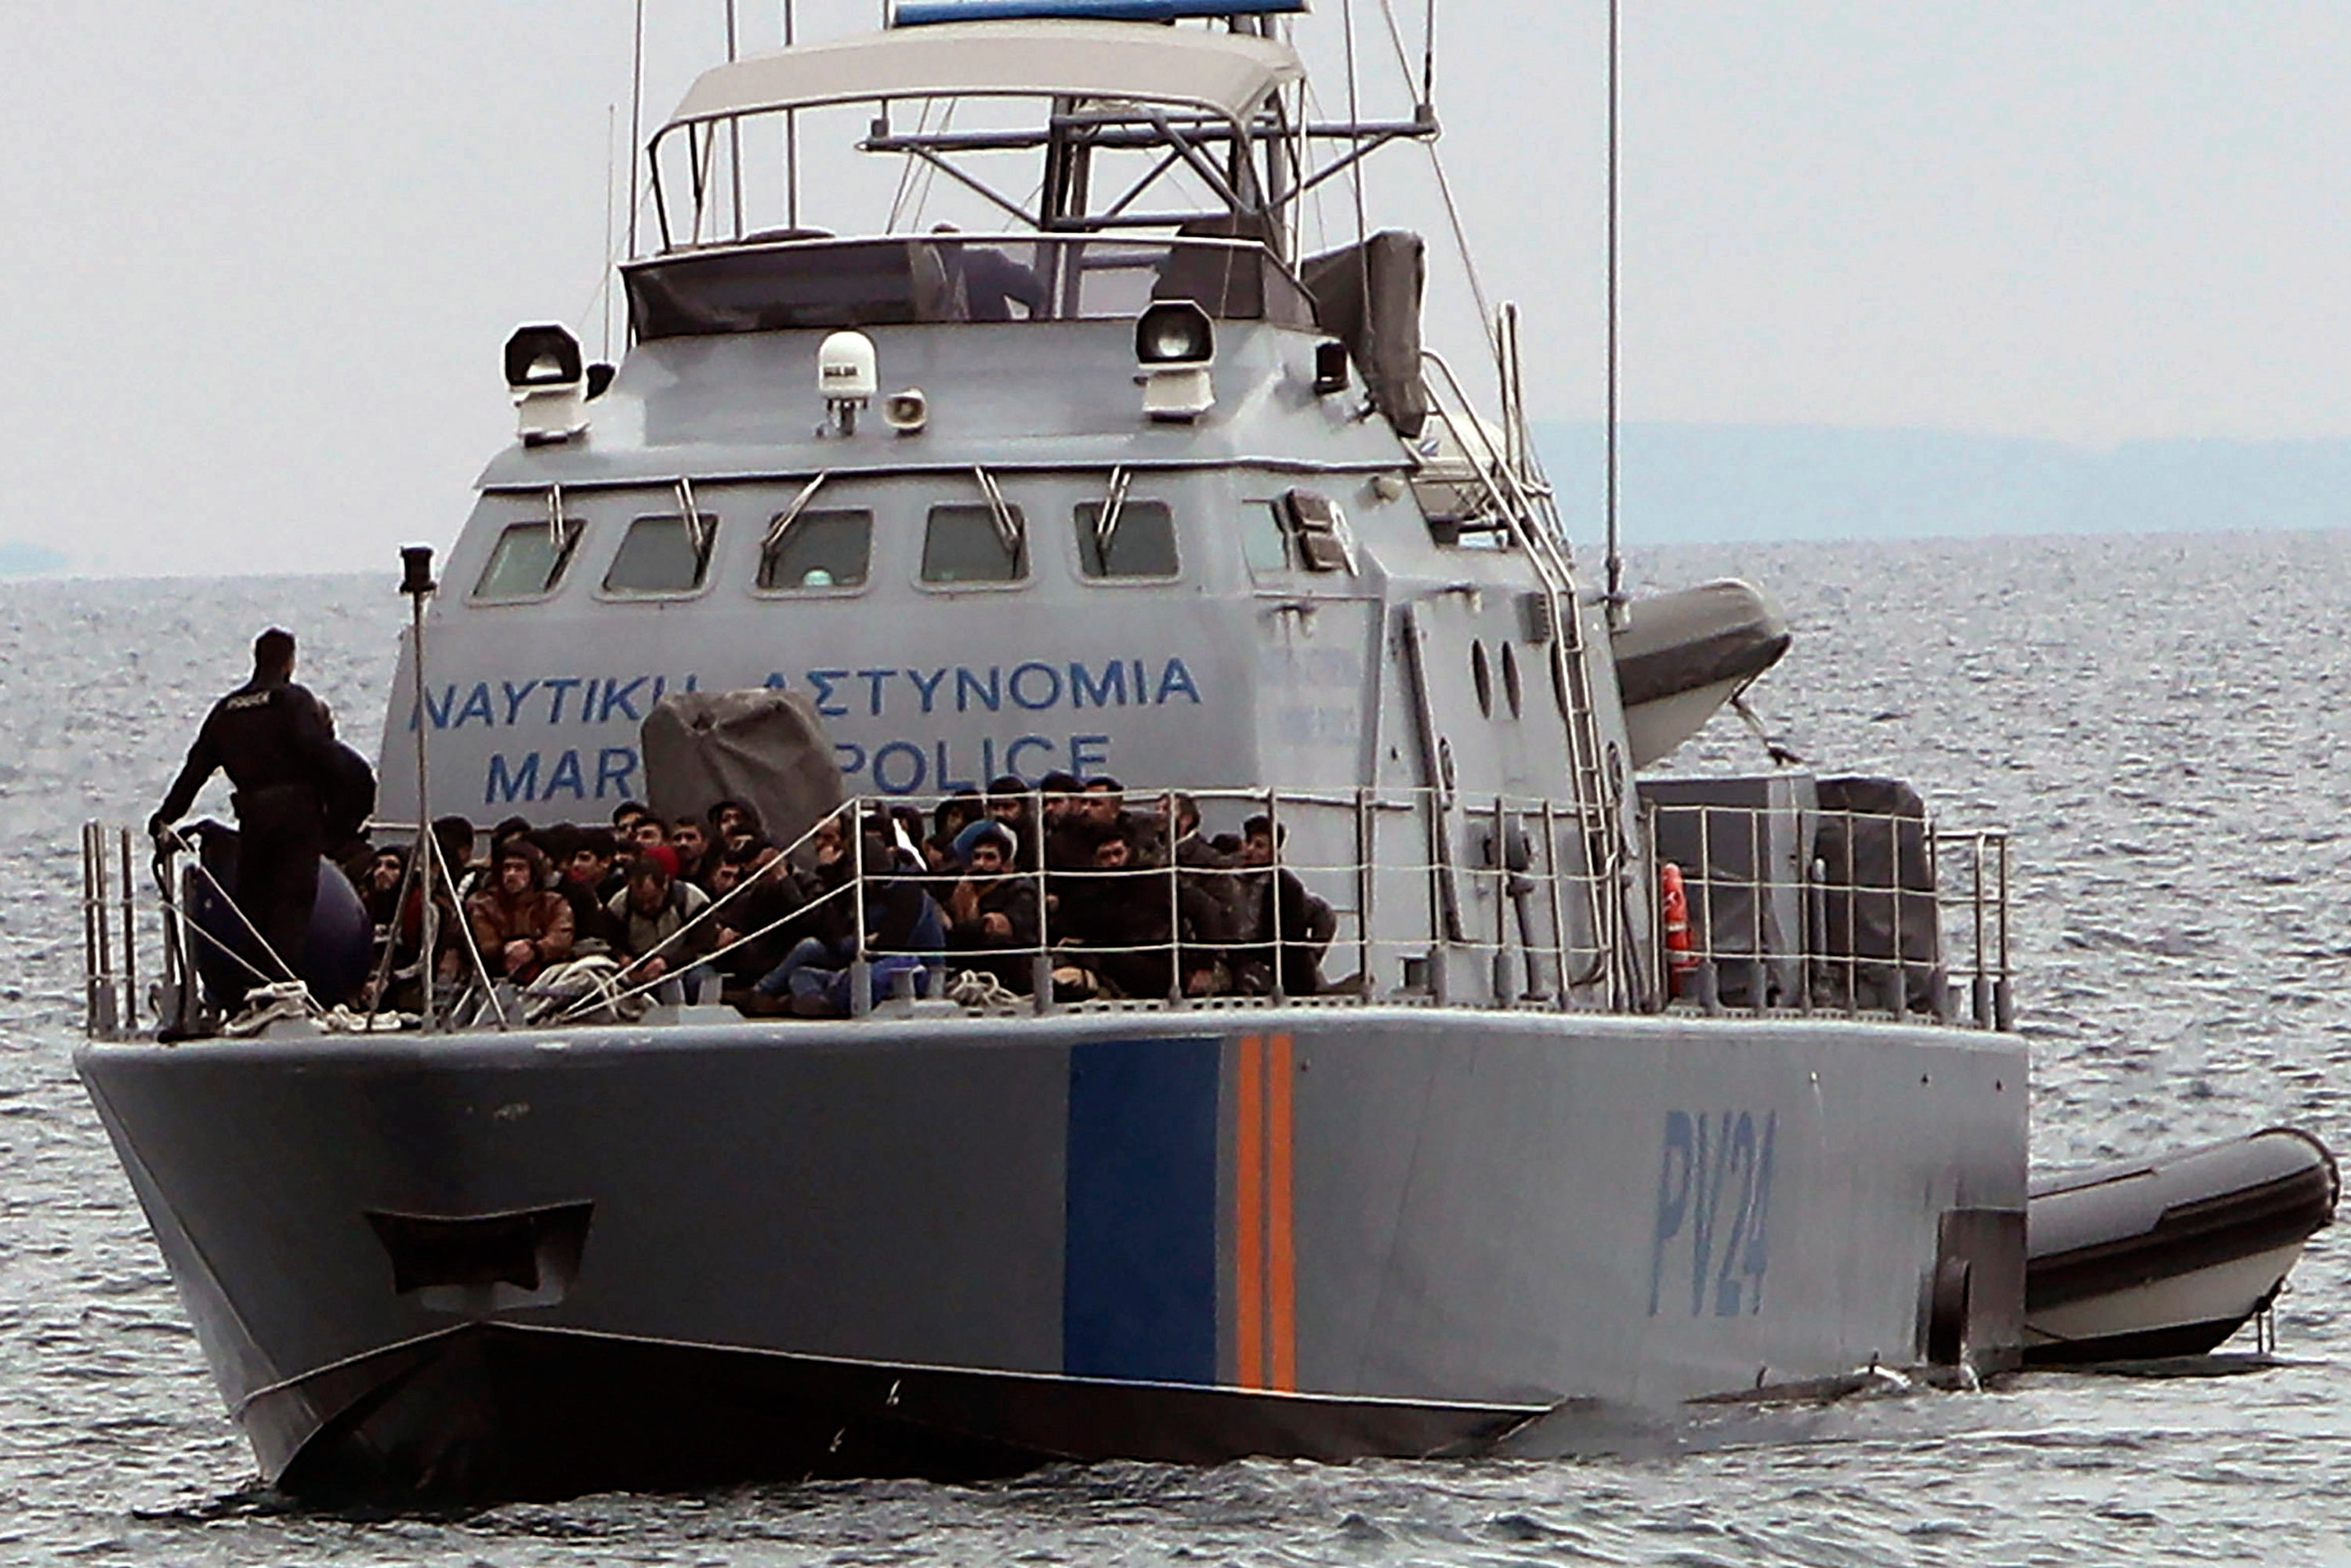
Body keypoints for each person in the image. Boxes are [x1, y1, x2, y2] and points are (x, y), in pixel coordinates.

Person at [149, 627, 359, 998]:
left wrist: (167, 816)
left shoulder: (227, 710)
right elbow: (320, 754)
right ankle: (285, 991)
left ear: (257, 659)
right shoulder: (293, 701)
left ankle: (252, 992)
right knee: (291, 905)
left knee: (254, 907)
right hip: (297, 818)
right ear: (290, 662)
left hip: (254, 821)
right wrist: (342, 807)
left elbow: (195, 770)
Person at [944, 823, 1040, 991]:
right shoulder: (962, 889)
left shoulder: (1020, 889)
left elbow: (998, 927)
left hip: (1014, 968)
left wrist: (958, 930)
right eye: (977, 857)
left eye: (989, 858)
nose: (981, 864)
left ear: (1005, 865)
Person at [465, 840, 575, 984]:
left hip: (547, 976)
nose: (511, 874)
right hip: (493, 977)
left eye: (519, 868)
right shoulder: (482, 903)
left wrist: (534, 949)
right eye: (507, 868)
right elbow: (485, 942)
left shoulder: (553, 903)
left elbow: (562, 936)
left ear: (533, 872)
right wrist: (508, 951)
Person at [607, 860, 714, 1005]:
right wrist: (623, 957)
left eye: (652, 900)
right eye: (640, 901)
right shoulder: (618, 907)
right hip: (641, 971)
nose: (645, 907)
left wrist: (667, 961)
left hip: (688, 964)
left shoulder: (692, 900)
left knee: (702, 979)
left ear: (664, 887)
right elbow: (612, 942)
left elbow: (703, 944)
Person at [931, 224, 1049, 321]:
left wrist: (1029, 336)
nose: (948, 257)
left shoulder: (988, 265)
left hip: (991, 343)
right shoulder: (921, 281)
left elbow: (1036, 292)